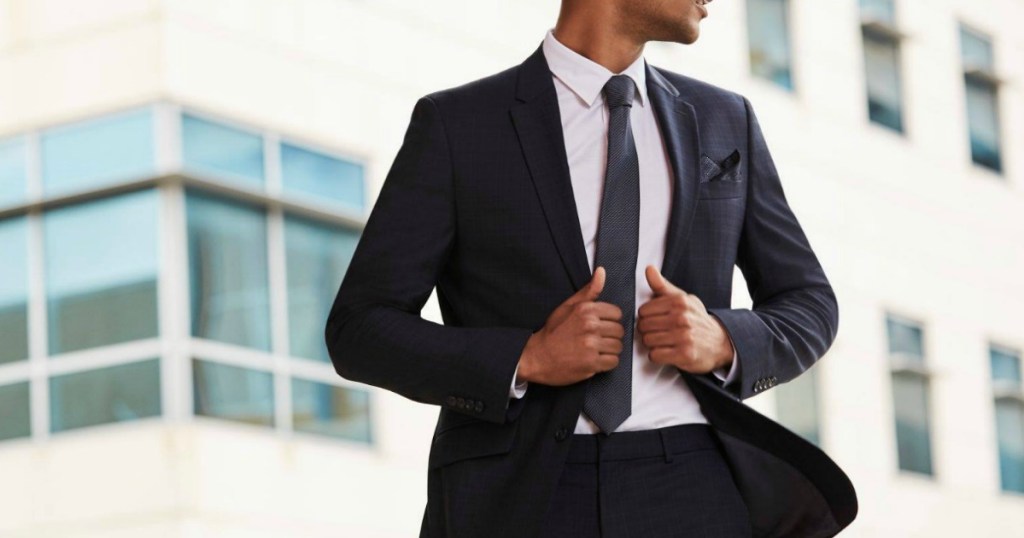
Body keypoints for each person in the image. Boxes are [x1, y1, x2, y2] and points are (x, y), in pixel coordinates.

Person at [325, 0, 858, 536]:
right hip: (523, 491)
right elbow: (360, 328)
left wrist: (723, 338)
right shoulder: (458, 124)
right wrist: (526, 357)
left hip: (695, 480)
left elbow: (809, 303)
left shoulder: (725, 119)